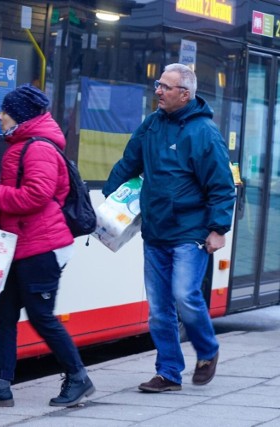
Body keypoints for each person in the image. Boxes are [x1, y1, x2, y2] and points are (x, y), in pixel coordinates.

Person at [102, 63, 236, 392]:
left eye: (165, 87)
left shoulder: (204, 133)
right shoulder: (151, 125)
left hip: (190, 231)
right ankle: (168, 373)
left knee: (184, 295)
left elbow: (222, 185)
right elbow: (128, 163)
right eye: (158, 84)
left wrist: (218, 229)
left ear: (185, 94)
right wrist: (106, 205)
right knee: (159, 309)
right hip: (156, 232)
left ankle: (207, 351)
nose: (158, 91)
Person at [0, 83, 95, 408]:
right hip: (20, 246)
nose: (0, 116)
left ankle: (78, 377)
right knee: (3, 314)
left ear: (19, 115)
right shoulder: (24, 144)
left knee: (41, 316)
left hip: (41, 247)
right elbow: (24, 195)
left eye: (5, 111)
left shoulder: (39, 148)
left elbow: (37, 194)